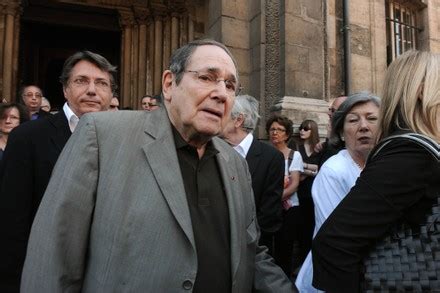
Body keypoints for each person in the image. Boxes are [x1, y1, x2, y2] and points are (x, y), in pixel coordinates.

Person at [20, 39, 293, 292]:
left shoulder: (236, 163)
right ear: (169, 84)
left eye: (230, 86)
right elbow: (54, 256)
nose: (221, 93)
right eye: (207, 78)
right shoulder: (102, 136)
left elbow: (249, 252)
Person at [312, 51, 440, 293]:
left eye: (372, 118)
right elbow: (333, 244)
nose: (364, 126)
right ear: (422, 90)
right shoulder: (410, 155)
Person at [0, 50, 116, 292]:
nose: (92, 90)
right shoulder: (28, 138)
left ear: (111, 93)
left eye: (101, 83)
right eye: (81, 81)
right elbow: (12, 220)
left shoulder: (125, 141)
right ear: (65, 89)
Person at [295, 92, 381, 292]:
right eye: (353, 120)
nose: (363, 126)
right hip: (334, 279)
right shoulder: (334, 171)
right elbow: (336, 239)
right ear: (342, 133)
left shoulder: (385, 166)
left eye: (372, 118)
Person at [221, 94, 284, 256]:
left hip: (253, 248)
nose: (216, 118)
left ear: (238, 121)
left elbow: (270, 212)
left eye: (222, 114)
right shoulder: (213, 150)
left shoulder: (271, 157)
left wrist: (246, 242)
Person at [266, 115, 304, 277]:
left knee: (285, 246)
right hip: (267, 209)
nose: (275, 133)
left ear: (287, 134)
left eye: (280, 130)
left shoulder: (294, 156)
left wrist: (273, 199)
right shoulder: (264, 153)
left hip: (288, 209)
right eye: (272, 129)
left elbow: (294, 184)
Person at [296, 119, 322, 266]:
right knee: (302, 230)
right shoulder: (297, 147)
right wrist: (311, 170)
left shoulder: (319, 148)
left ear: (313, 131)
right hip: (300, 193)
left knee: (313, 227)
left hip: (314, 193)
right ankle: (301, 263)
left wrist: (304, 167)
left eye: (306, 129)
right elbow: (294, 167)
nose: (302, 131)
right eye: (301, 128)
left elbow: (321, 168)